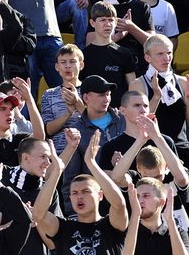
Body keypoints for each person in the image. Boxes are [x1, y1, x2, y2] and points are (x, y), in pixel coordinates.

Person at [33, 132, 131, 255]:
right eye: (74, 193)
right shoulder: (64, 229)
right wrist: (57, 172)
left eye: (86, 191)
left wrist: (91, 164)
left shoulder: (110, 226)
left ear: (100, 195)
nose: (79, 197)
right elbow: (39, 215)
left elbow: (120, 204)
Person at [63, 76, 126, 210]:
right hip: (95, 203)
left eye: (108, 94)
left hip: (128, 195)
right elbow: (71, 177)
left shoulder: (124, 119)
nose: (106, 99)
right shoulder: (76, 130)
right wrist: (72, 212)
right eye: (101, 95)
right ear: (86, 98)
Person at [128, 34, 189, 164]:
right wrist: (156, 96)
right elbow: (138, 123)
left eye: (169, 53)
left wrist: (188, 103)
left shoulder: (183, 82)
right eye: (160, 54)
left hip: (181, 148)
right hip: (153, 151)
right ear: (147, 57)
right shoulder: (138, 84)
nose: (166, 58)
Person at [85, 0, 154, 76]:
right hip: (107, 66)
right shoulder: (100, 7)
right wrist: (118, 36)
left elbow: (152, 43)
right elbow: (90, 45)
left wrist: (131, 27)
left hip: (137, 65)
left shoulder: (142, 7)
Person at [81, 1, 136, 107]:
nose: (107, 24)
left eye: (111, 20)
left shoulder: (124, 53)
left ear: (116, 22)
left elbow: (133, 88)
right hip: (92, 111)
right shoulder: (84, 55)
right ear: (92, 23)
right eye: (102, 20)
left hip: (119, 111)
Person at [41, 44, 85, 154]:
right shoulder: (48, 95)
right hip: (59, 152)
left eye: (72, 61)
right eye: (63, 62)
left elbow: (98, 122)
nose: (68, 66)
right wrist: (67, 114)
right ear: (57, 67)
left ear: (81, 65)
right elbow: (48, 130)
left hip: (86, 149)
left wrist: (78, 103)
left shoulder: (91, 90)